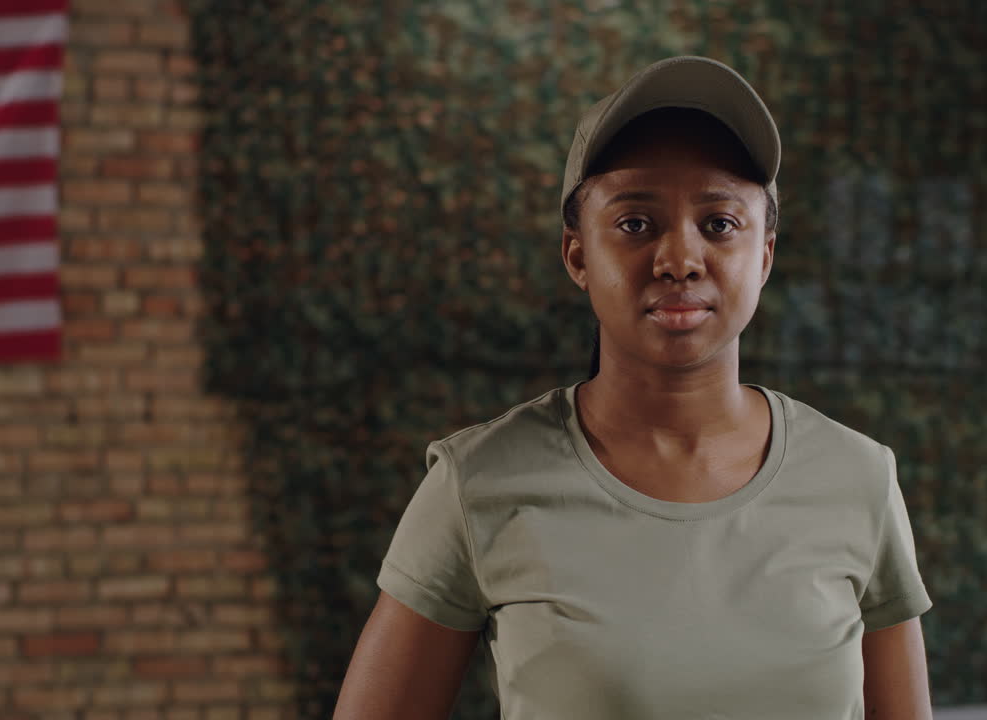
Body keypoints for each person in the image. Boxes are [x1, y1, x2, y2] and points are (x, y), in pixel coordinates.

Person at [333, 55, 933, 720]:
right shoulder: (476, 483)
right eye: (635, 224)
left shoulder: (858, 479)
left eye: (719, 223)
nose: (680, 259)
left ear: (763, 255)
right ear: (578, 255)